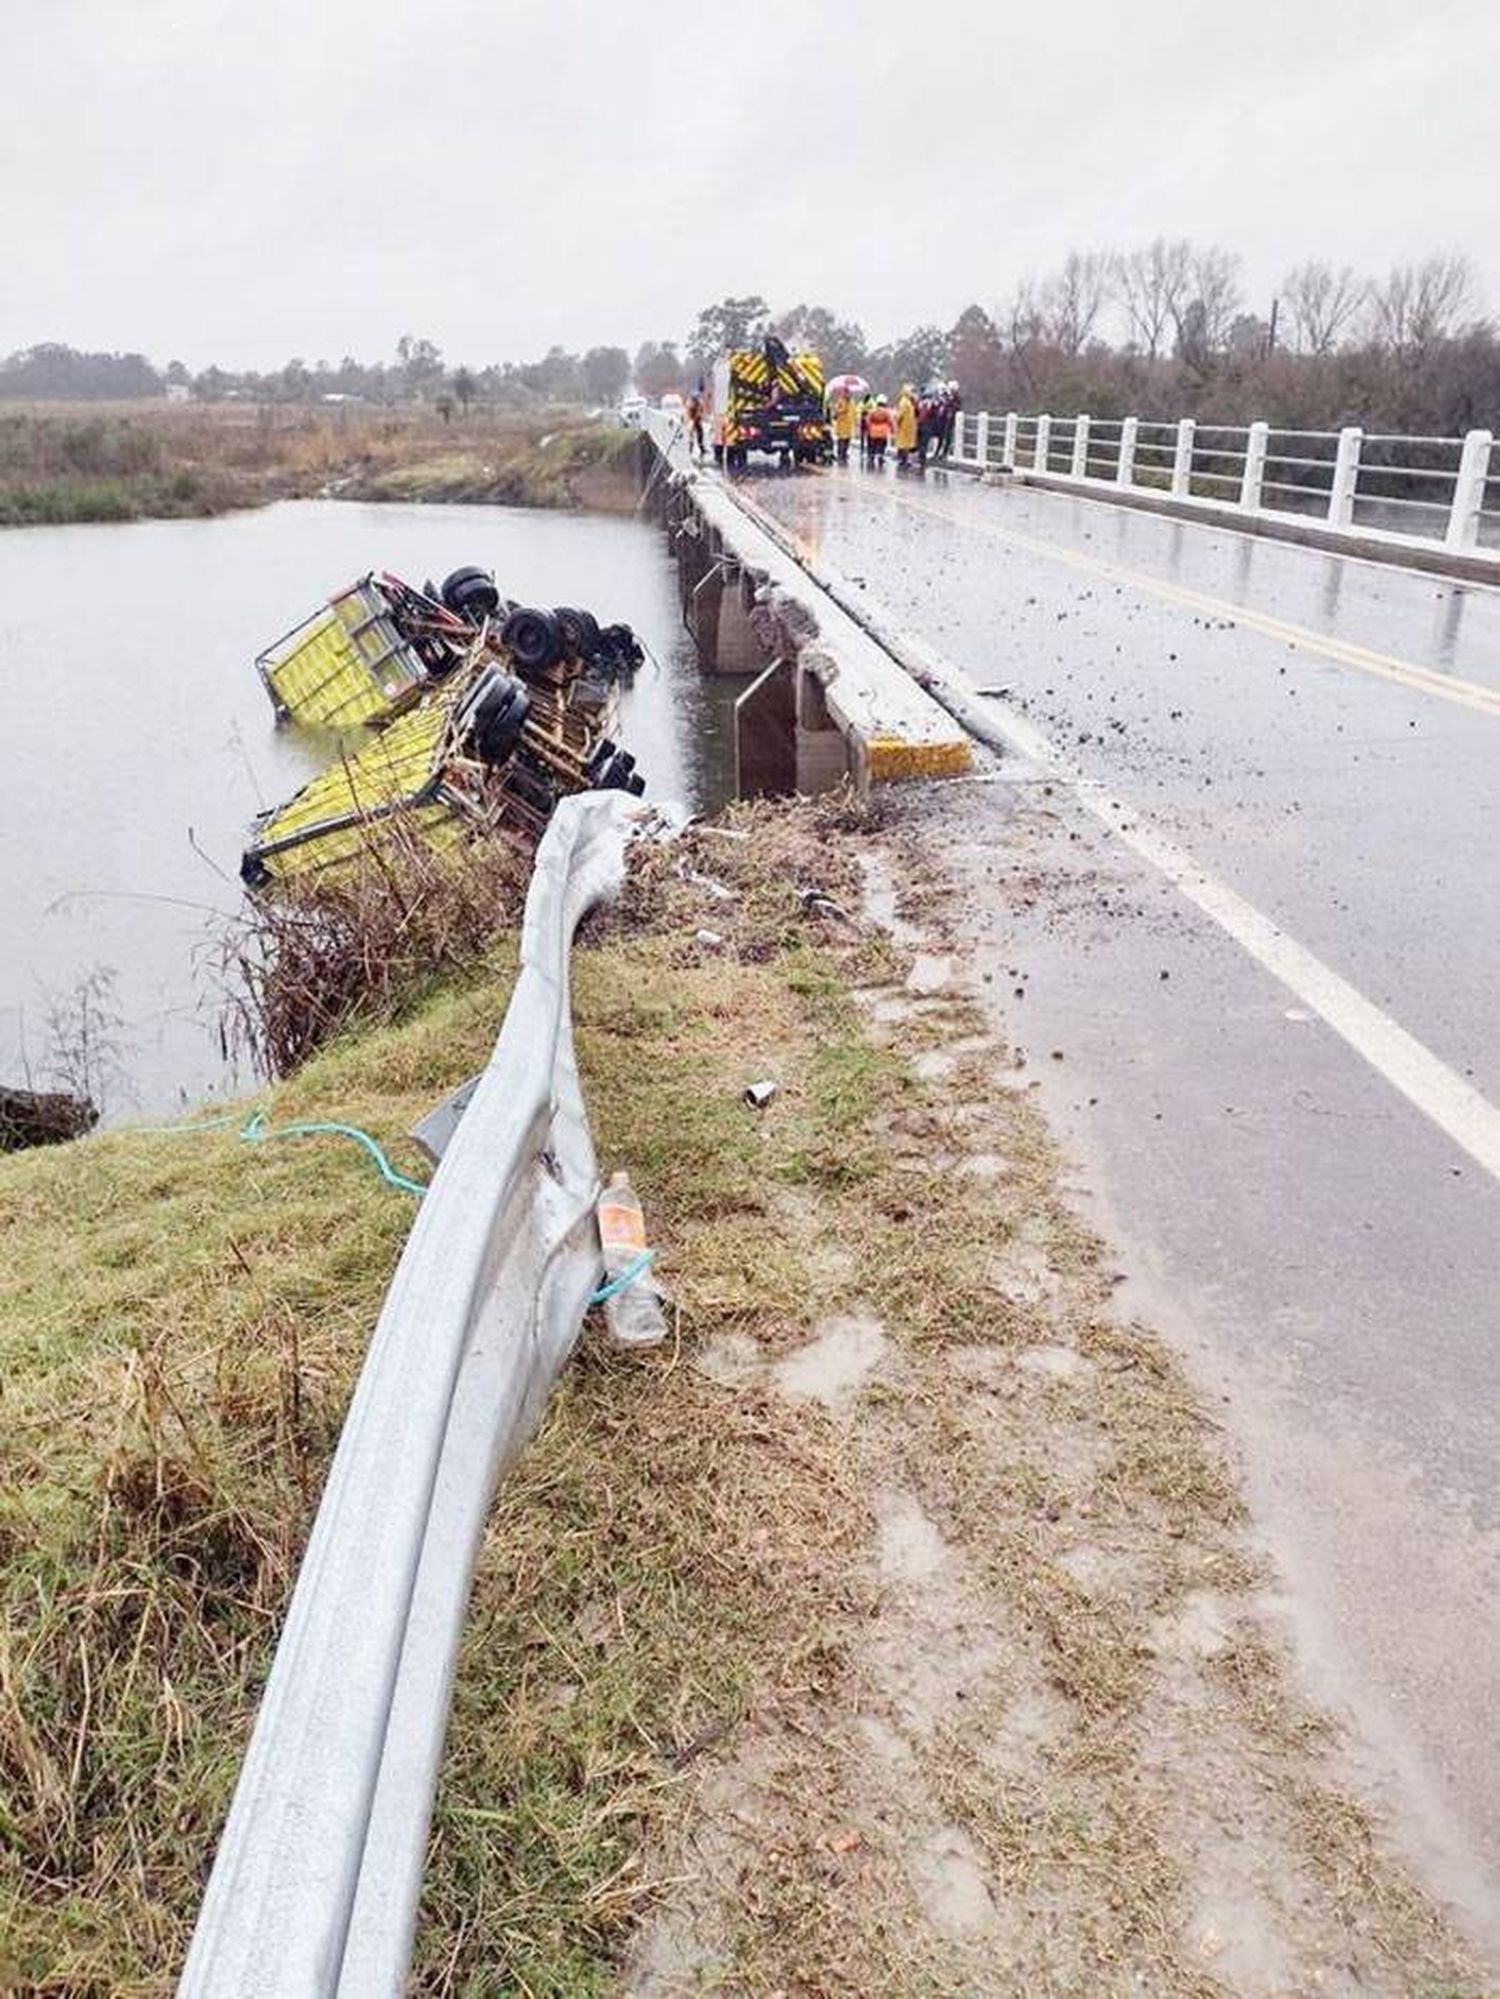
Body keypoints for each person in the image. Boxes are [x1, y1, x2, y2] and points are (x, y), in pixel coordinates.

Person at [865, 394, 894, 469]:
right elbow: (890, 421)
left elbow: (867, 420)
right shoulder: (886, 412)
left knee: (872, 447)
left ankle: (871, 458)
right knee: (881, 447)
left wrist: (869, 428)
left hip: (873, 432)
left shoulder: (873, 411)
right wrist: (892, 430)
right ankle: (880, 459)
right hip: (883, 432)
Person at [895, 384, 918, 469]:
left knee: (906, 444)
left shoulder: (908, 401)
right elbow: (900, 415)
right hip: (905, 427)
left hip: (908, 427)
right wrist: (898, 422)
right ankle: (903, 460)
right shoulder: (904, 401)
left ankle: (904, 460)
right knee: (904, 444)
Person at [831, 389, 856, 466]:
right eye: (846, 393)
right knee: (841, 441)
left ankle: (844, 454)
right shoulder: (840, 401)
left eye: (848, 393)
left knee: (847, 441)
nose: (847, 395)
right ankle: (840, 455)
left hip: (849, 425)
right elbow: (837, 410)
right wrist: (839, 411)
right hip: (842, 424)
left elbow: (854, 412)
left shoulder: (852, 402)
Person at [685, 387, 706, 461]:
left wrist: (700, 416)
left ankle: (702, 448)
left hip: (697, 420)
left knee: (700, 433)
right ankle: (689, 450)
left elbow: (701, 411)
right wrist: (692, 419)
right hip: (691, 419)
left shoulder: (699, 403)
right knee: (690, 435)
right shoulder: (690, 403)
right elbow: (688, 413)